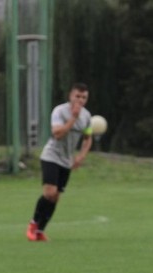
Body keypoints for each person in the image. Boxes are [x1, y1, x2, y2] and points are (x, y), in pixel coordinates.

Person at [26, 82, 93, 242]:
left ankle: (40, 231)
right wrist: (73, 118)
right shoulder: (59, 111)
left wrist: (81, 156)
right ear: (70, 96)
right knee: (49, 192)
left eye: (84, 97)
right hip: (51, 156)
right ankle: (33, 224)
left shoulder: (87, 116)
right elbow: (57, 134)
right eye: (77, 96)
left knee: (55, 197)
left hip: (66, 161)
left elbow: (87, 138)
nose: (80, 100)